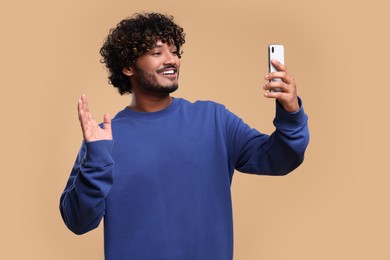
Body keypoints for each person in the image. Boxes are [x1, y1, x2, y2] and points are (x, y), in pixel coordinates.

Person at [60, 12, 309, 260]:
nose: (172, 60)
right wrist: (96, 160)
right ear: (127, 66)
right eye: (157, 53)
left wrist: (291, 112)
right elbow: (78, 221)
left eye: (175, 51)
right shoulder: (104, 140)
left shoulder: (214, 119)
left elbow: (280, 158)